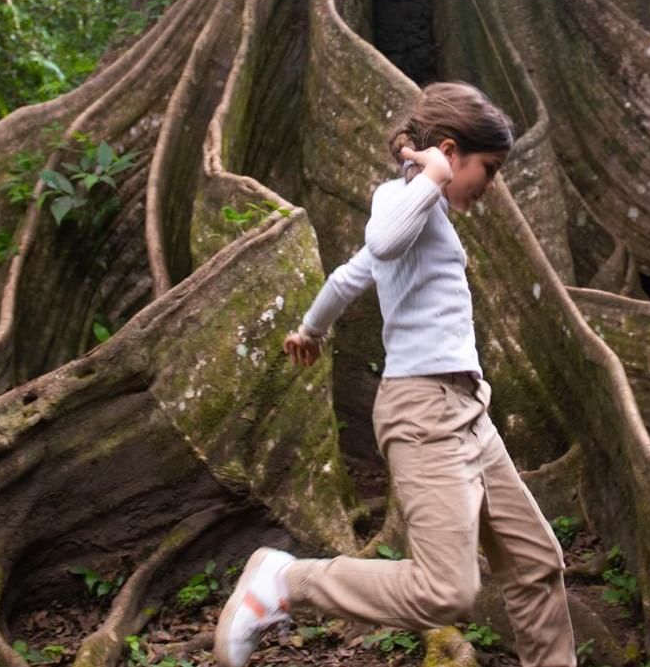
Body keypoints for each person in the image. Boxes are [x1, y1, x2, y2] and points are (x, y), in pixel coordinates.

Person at [213, 81, 576, 667]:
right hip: (423, 410)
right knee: (448, 592)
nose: (492, 185)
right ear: (451, 151)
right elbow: (380, 239)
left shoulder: (422, 214)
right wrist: (431, 177)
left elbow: (352, 274)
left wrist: (311, 329)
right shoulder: (402, 199)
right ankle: (286, 583)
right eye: (489, 168)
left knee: (536, 563)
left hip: (467, 411)